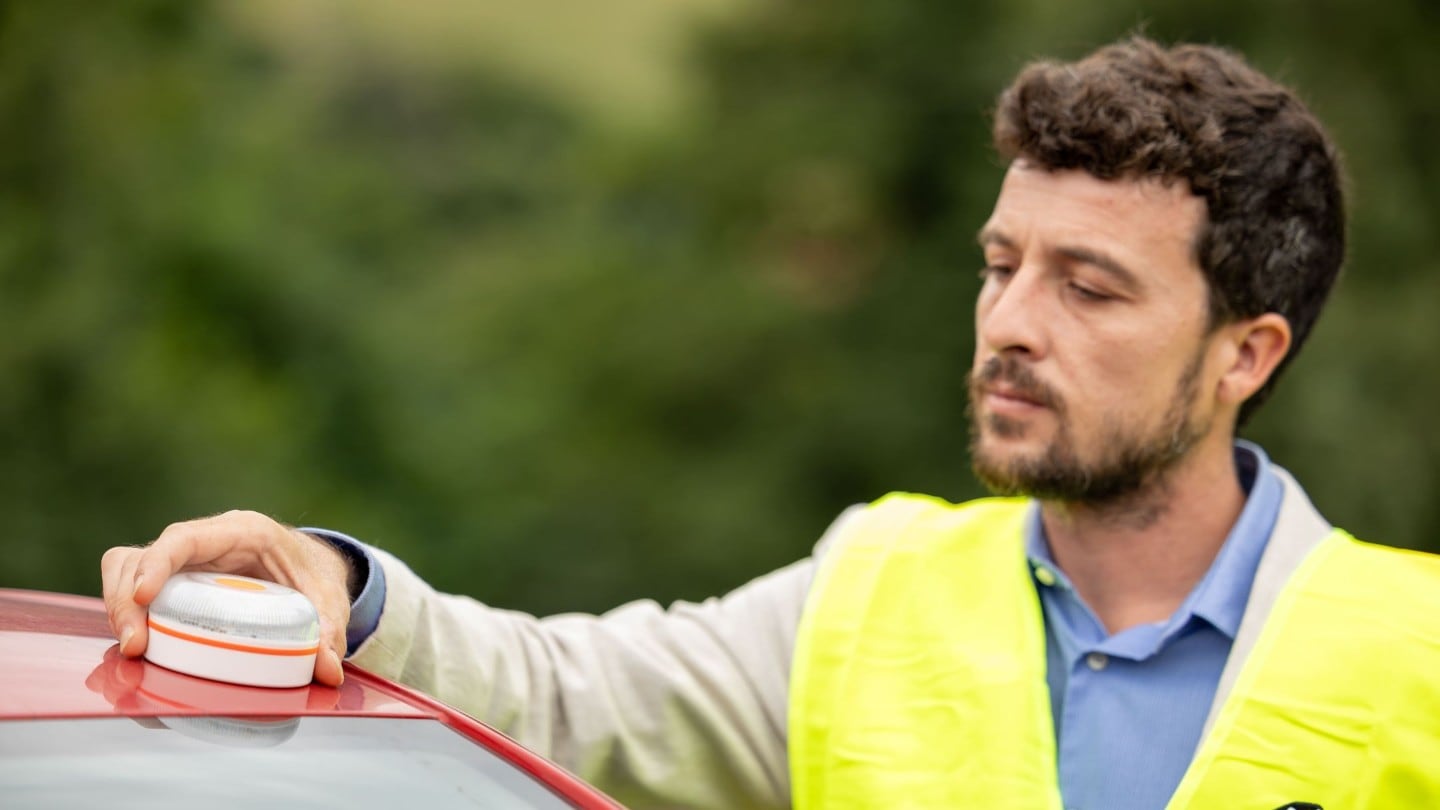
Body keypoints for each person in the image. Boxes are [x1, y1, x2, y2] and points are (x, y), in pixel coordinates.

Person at [100, 36, 1440, 809]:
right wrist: (338, 578)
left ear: (1243, 351)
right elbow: (562, 700)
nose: (1012, 321)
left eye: (1088, 285)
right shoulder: (870, 585)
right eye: (1000, 263)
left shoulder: (1416, 648)